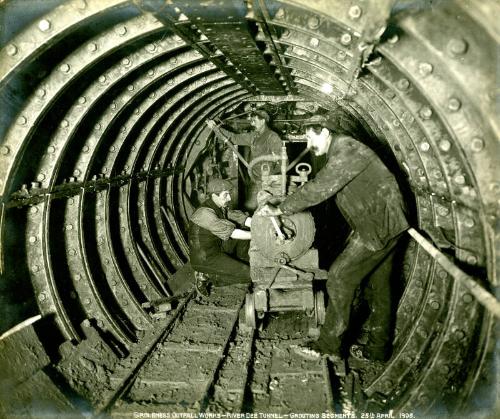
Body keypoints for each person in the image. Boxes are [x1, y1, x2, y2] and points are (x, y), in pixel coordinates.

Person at [258, 114, 409, 362]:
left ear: (326, 132)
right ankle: (378, 349)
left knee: (338, 278)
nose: (308, 144)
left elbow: (320, 187)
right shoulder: (344, 150)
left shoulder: (347, 149)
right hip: (389, 223)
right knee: (380, 287)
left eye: (310, 137)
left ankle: (329, 346)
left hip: (378, 226)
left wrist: (280, 208)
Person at [206, 110, 282, 210]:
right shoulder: (254, 136)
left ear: (263, 121)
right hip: (255, 179)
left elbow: (283, 161)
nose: (252, 123)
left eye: (254, 120)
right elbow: (233, 138)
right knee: (252, 207)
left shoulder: (273, 137)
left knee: (268, 208)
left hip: (270, 182)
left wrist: (271, 175)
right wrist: (216, 128)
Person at [189, 178, 252, 297]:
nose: (229, 198)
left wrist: (260, 225)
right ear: (214, 195)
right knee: (251, 275)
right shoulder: (205, 214)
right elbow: (232, 233)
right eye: (225, 195)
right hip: (206, 259)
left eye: (229, 194)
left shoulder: (218, 207)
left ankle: (241, 263)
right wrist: (258, 235)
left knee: (245, 232)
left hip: (218, 248)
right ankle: (208, 276)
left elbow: (239, 218)